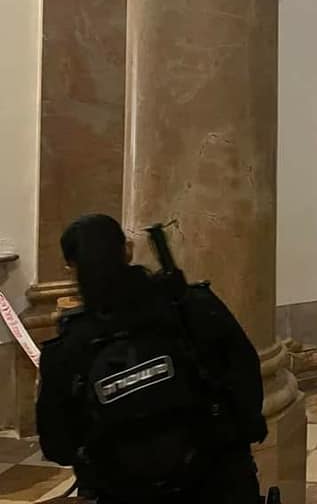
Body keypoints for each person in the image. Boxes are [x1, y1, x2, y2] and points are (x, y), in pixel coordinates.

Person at [36, 214, 267, 503]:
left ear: (71, 267)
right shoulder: (190, 307)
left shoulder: (66, 349)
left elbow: (58, 446)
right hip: (217, 483)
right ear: (127, 250)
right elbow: (246, 382)